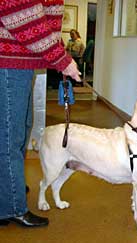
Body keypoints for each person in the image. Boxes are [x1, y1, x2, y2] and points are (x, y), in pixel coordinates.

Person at [0, 0, 81, 227]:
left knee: (21, 129)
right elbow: (23, 15)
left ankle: (8, 188)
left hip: (19, 64)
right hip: (9, 63)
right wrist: (61, 60)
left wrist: (61, 54)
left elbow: (45, 24)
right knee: (8, 138)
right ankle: (11, 207)